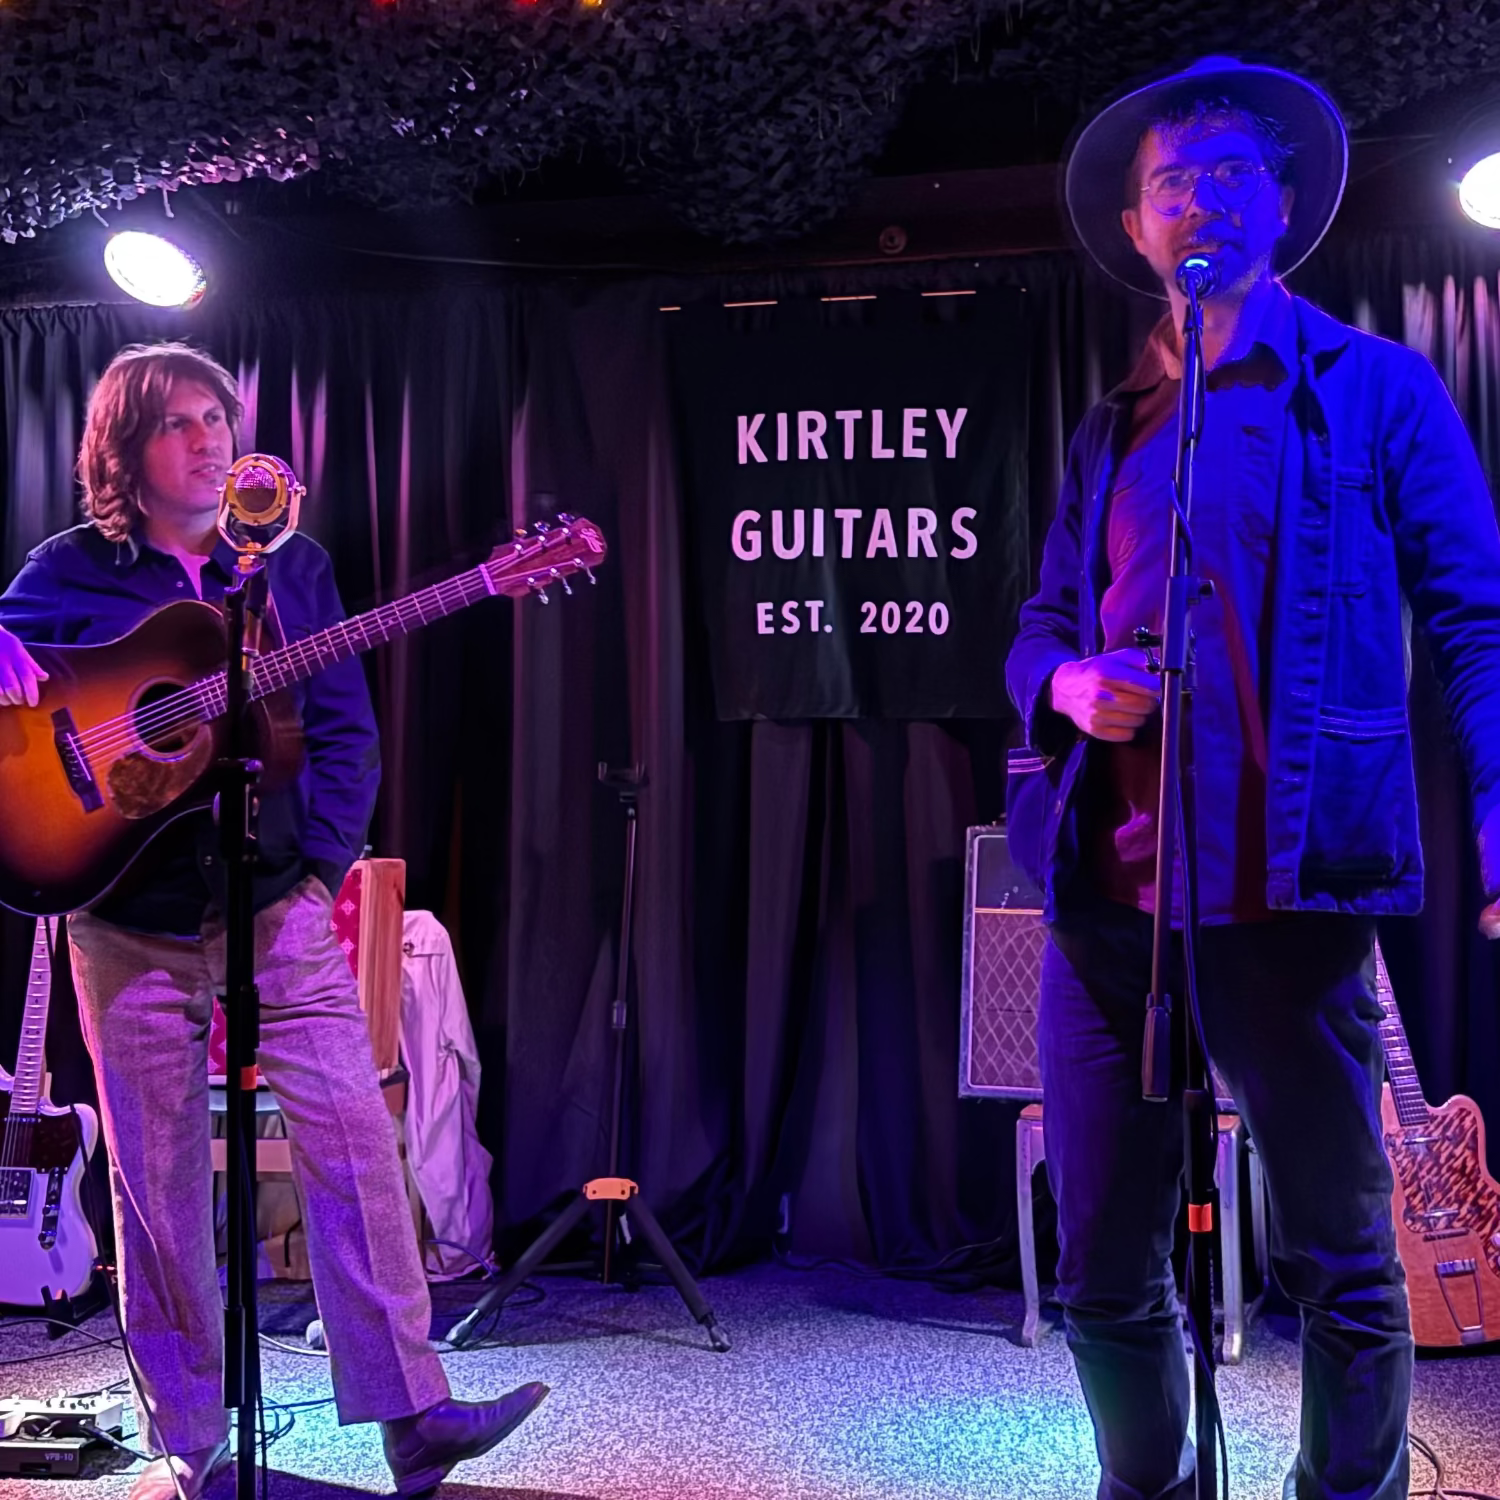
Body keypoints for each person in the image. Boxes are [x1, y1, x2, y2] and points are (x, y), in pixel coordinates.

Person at [1005, 56, 1500, 1500]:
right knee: (1102, 1264)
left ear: (1280, 203)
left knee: (1345, 1259)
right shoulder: (1111, 432)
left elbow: (1475, 615)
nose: (1200, 197)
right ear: (1141, 226)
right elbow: (1037, 631)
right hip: (1112, 911)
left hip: (1294, 897)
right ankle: (1148, 1488)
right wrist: (1064, 684)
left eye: (1231, 171)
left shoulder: (1379, 393)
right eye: (1173, 182)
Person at [0, 342, 548, 1500]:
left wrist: (319, 870)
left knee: (354, 1144)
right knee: (158, 1190)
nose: (209, 439)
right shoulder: (67, 573)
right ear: (123, 450)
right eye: (180, 422)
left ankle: (415, 1416)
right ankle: (191, 1447)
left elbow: (346, 727)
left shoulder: (292, 569)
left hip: (273, 902)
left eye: (218, 416)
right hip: (124, 915)